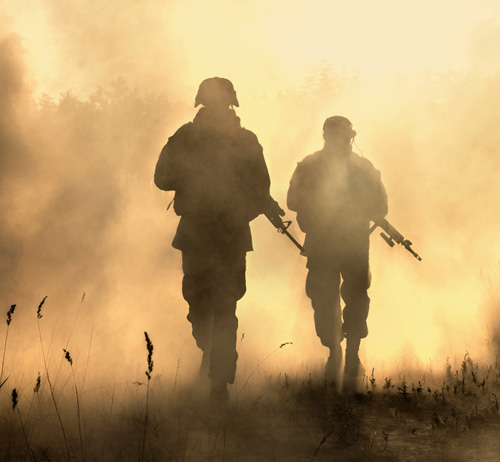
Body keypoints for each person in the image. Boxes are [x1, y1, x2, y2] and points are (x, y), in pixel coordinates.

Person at [154, 77, 278, 403]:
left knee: (222, 307)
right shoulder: (188, 137)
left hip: (225, 235)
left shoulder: (244, 140)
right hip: (202, 233)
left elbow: (260, 190)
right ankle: (212, 357)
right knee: (200, 308)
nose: (218, 109)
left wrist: (238, 208)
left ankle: (219, 382)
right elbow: (162, 178)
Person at [287, 116, 388, 389]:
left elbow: (381, 206)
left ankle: (352, 352)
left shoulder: (363, 168)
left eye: (341, 136)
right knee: (323, 299)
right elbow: (292, 200)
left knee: (355, 297)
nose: (336, 141)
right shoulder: (309, 166)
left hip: (353, 242)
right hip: (322, 243)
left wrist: (357, 208)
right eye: (332, 136)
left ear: (349, 137)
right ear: (325, 137)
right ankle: (335, 350)